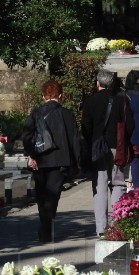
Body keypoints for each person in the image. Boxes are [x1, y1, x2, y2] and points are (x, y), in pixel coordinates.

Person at [22, 80, 81, 243]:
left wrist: (31, 155)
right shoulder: (68, 115)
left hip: (40, 160)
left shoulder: (36, 113)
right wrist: (76, 163)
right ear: (60, 95)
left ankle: (44, 225)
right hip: (60, 160)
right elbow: (75, 140)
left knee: (41, 194)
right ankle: (47, 225)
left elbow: (27, 136)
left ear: (43, 96)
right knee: (53, 196)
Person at [81, 69, 135, 237]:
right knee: (118, 184)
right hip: (117, 146)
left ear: (98, 83)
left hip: (98, 148)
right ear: (111, 83)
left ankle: (100, 228)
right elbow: (130, 125)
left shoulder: (90, 101)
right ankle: (118, 225)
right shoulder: (122, 99)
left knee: (100, 186)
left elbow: (85, 127)